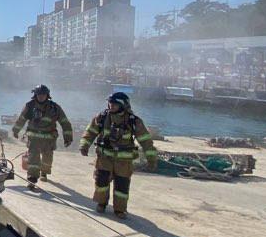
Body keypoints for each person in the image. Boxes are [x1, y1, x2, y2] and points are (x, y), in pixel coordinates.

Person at [78, 91, 157, 219]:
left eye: (115, 104)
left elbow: (145, 140)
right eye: (110, 103)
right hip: (104, 158)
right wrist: (84, 146)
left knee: (122, 185)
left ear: (123, 105)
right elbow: (90, 132)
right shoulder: (102, 117)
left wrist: (151, 159)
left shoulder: (133, 121)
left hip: (123, 161)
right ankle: (102, 203)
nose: (111, 106)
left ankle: (120, 209)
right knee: (101, 181)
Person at [11, 84, 73, 189]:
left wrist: (68, 137)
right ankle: (32, 178)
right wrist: (15, 130)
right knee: (33, 157)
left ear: (47, 95)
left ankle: (44, 172)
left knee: (47, 159)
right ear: (35, 95)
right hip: (34, 138)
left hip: (49, 139)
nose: (41, 97)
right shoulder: (29, 106)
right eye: (39, 95)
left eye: (43, 95)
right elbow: (21, 119)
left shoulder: (55, 108)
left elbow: (65, 122)